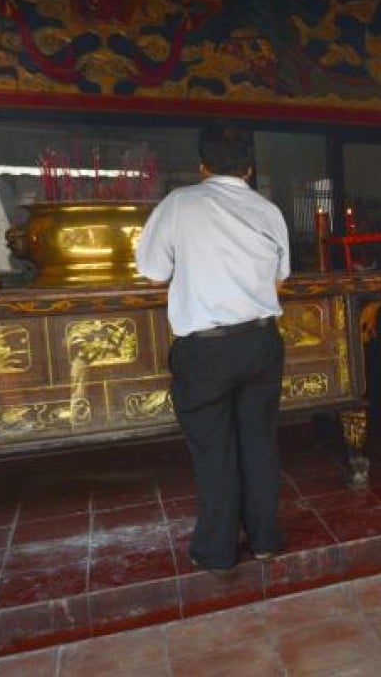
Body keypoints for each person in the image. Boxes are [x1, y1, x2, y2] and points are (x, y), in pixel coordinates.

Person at [135, 123, 290, 571]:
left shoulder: (179, 205)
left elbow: (152, 273)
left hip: (205, 350)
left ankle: (218, 551)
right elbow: (279, 279)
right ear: (250, 167)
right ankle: (265, 540)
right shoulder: (268, 210)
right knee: (259, 443)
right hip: (261, 342)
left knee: (213, 450)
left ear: (202, 166)